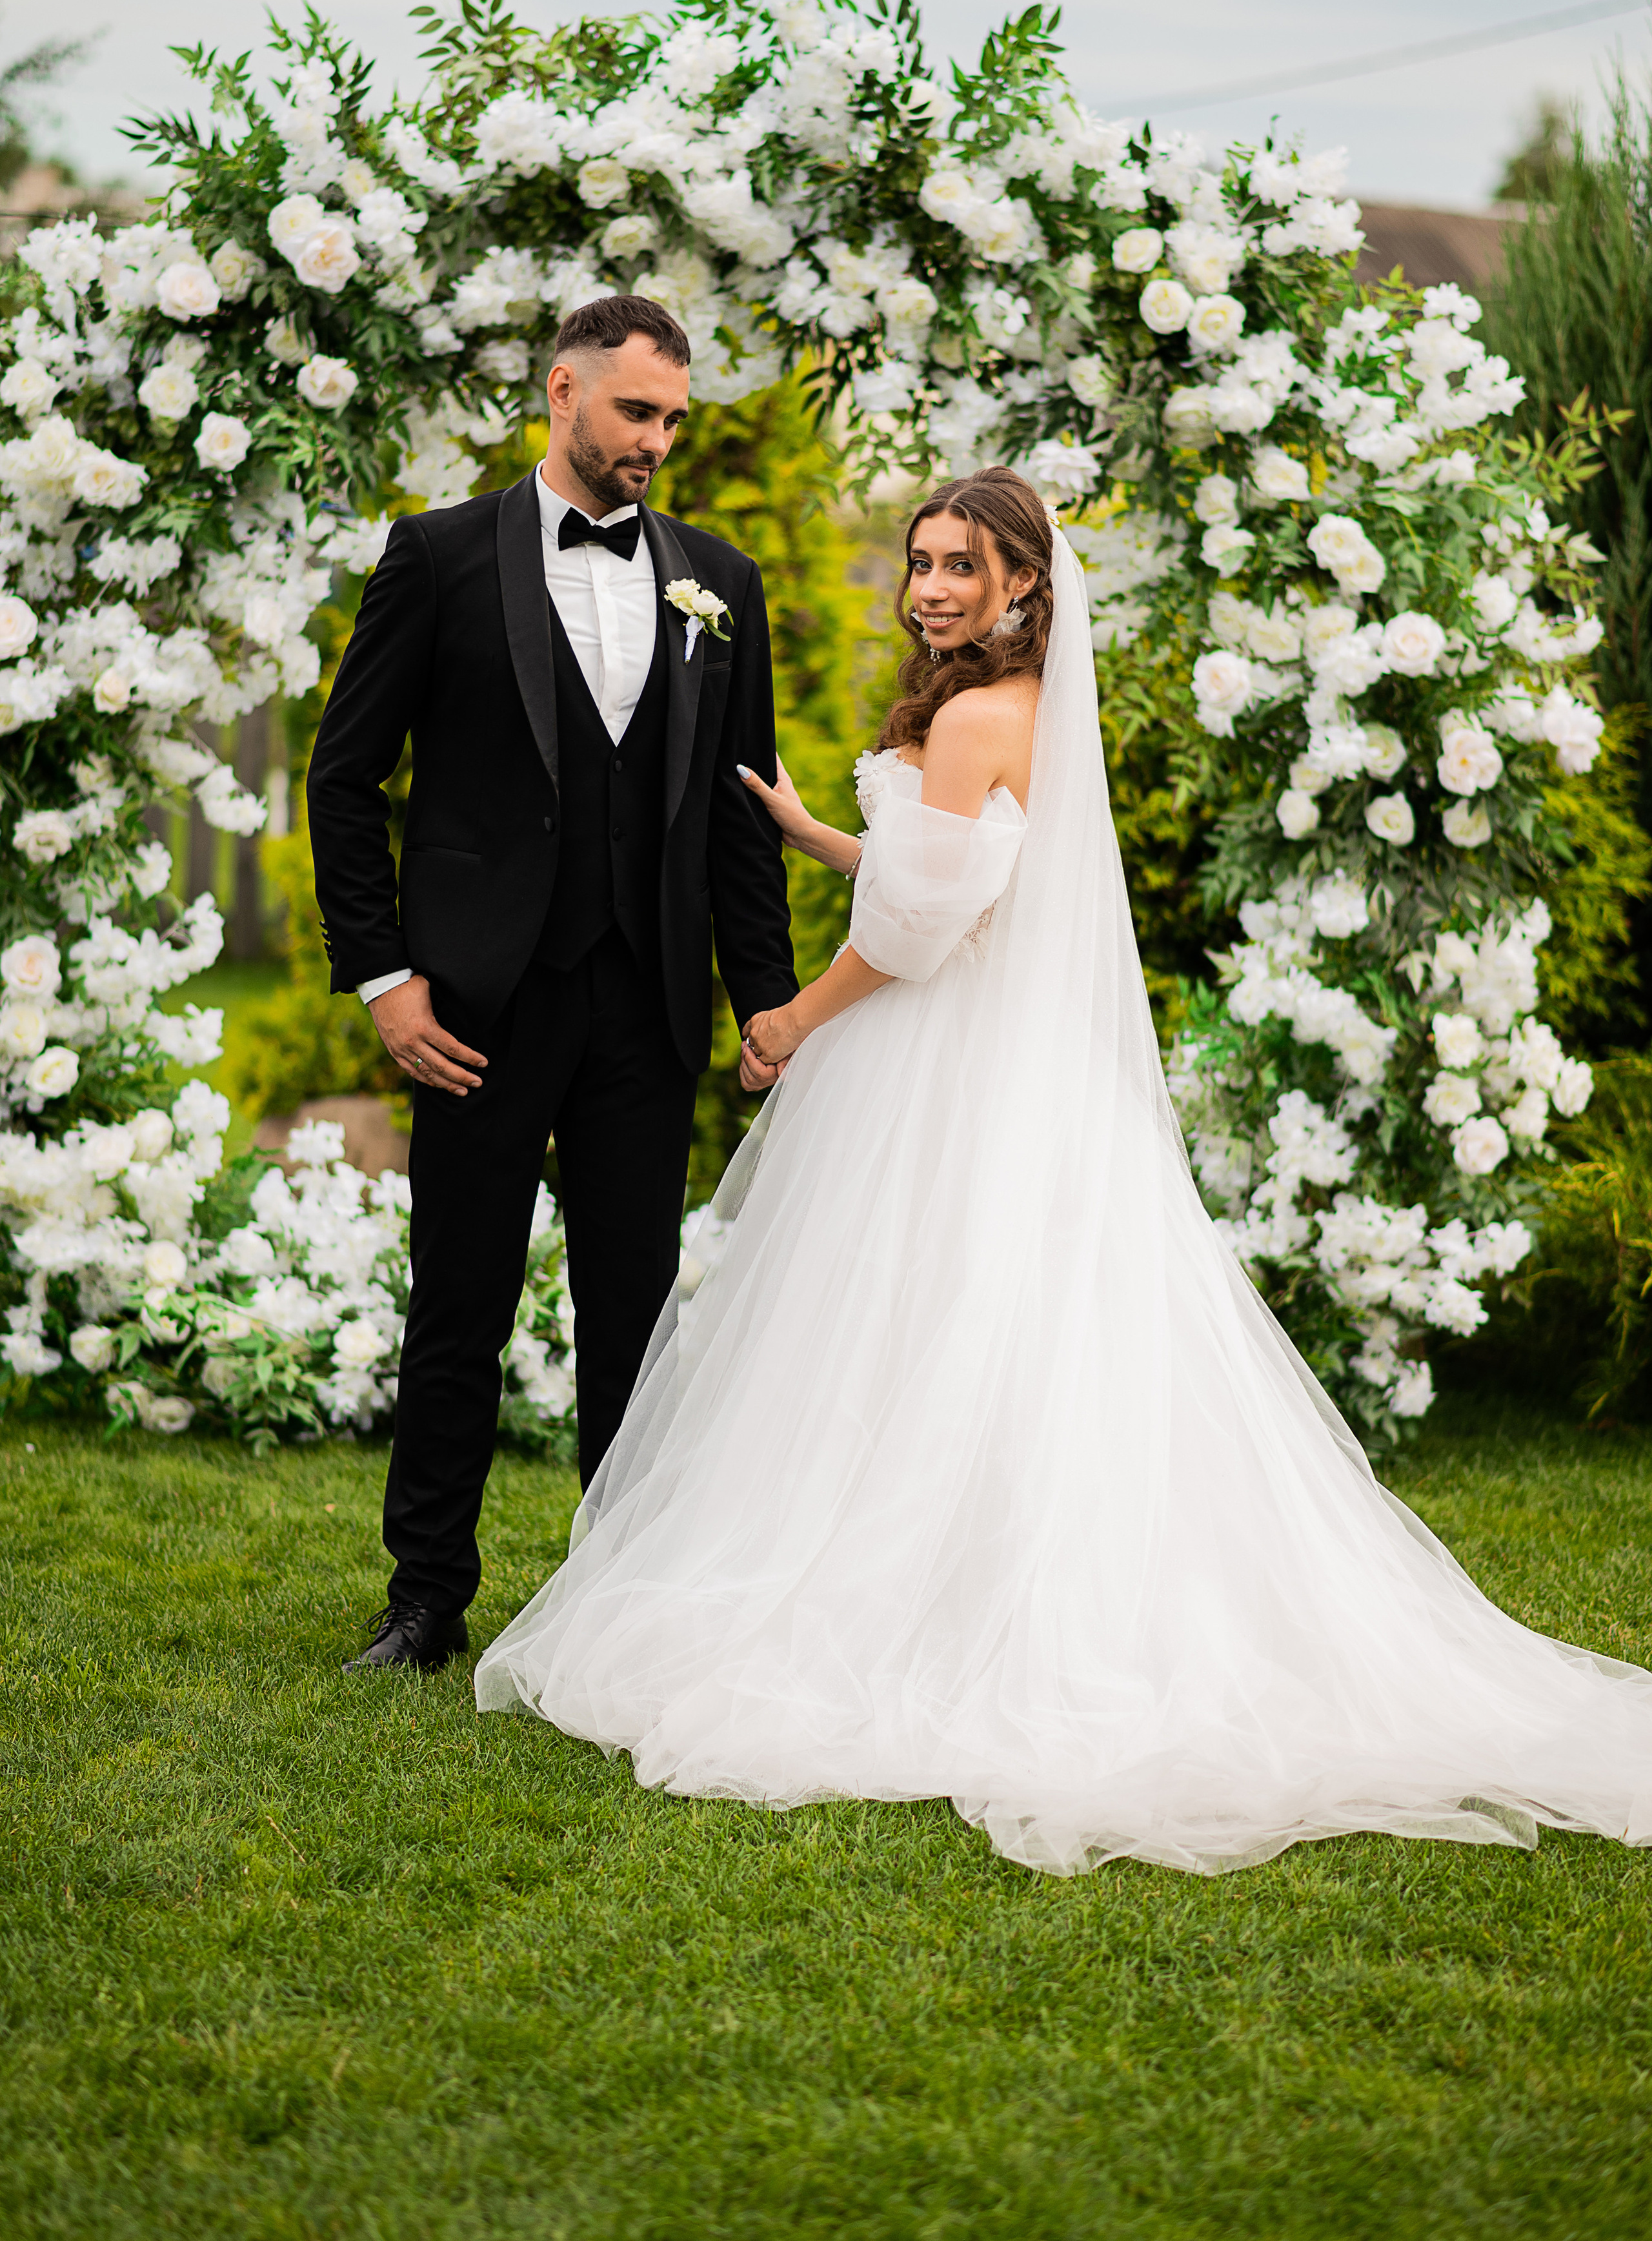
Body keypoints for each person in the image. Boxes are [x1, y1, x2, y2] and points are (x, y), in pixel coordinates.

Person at [475, 465, 1652, 1878]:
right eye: (920, 562)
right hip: (1012, 1065)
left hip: (934, 1063)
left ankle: (917, 1613)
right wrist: (815, 835)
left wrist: (790, 1018)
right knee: (1007, 1330)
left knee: (916, 1328)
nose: (930, 587)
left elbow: (914, 934)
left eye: (962, 566)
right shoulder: (1022, 711)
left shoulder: (973, 713)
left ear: (1024, 584)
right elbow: (971, 879)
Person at [307, 296, 797, 1674]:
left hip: (644, 1007)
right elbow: (346, 782)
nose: (654, 442)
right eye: (635, 413)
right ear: (563, 392)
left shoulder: (719, 581)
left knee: (632, 1319)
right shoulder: (440, 557)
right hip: (471, 1007)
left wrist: (763, 995)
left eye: (673, 421)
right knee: (457, 1303)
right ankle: (424, 1604)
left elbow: (737, 812)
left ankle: (618, 1609)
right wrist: (386, 982)